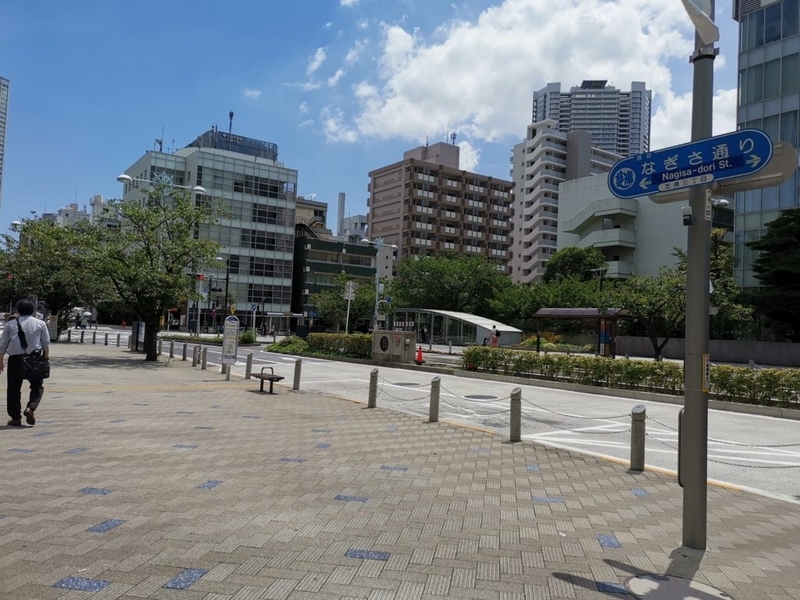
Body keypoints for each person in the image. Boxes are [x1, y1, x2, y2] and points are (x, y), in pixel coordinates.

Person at [0, 298, 50, 427]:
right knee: (37, 386)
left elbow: (3, 344)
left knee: (13, 389)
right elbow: (45, 344)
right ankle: (31, 408)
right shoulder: (40, 323)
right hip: (34, 359)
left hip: (15, 360)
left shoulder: (10, 324)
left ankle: (15, 418)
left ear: (18, 310)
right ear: (33, 310)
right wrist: (45, 359)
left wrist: (0, 361)